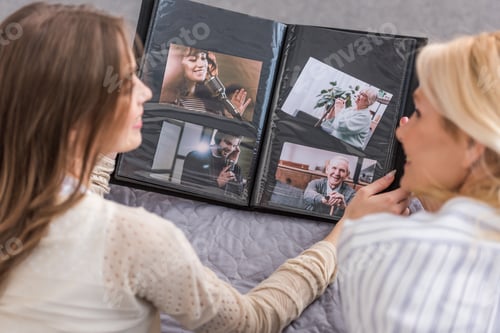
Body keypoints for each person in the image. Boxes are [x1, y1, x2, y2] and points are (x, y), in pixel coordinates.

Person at [2, 4, 403, 332]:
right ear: (77, 121)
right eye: (125, 83)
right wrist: (343, 234)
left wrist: (94, 143)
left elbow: (76, 176)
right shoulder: (137, 239)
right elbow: (250, 321)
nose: (144, 91)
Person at [324, 32, 500, 332]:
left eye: (418, 113)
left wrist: (351, 230)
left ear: (472, 147)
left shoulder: (399, 267)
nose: (401, 132)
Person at [159, 44, 251, 119]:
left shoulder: (210, 103)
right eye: (192, 60)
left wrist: (230, 117)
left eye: (203, 58)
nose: (201, 64)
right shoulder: (170, 99)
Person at [181, 130, 245, 196]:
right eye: (228, 143)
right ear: (218, 139)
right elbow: (188, 188)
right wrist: (217, 183)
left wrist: (232, 165)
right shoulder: (195, 157)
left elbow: (239, 195)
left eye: (234, 146)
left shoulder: (236, 168)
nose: (231, 149)